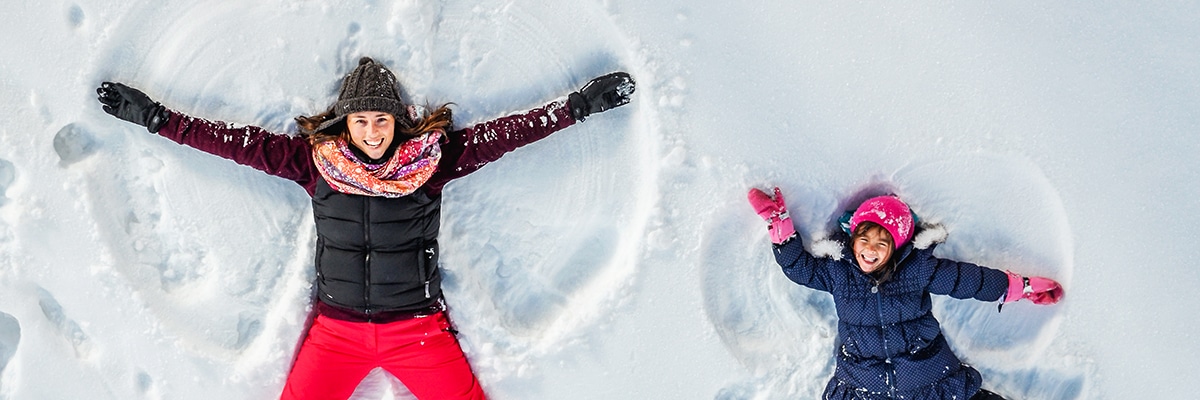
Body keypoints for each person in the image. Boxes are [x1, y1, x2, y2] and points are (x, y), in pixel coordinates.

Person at [96, 57, 635, 400]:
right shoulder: (315, 162)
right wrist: (156, 118)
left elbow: (506, 134)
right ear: (345, 124)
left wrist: (577, 107)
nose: (373, 133)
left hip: (419, 333)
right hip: (337, 335)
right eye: (361, 121)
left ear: (398, 122)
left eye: (382, 121)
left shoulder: (431, 161)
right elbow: (232, 142)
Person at [747, 188, 1063, 400]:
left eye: (881, 244)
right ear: (853, 238)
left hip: (927, 379)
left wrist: (1020, 287)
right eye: (864, 239)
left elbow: (969, 281)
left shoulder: (916, 271)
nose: (870, 250)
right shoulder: (838, 272)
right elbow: (800, 269)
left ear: (895, 249)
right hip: (863, 385)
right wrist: (780, 226)